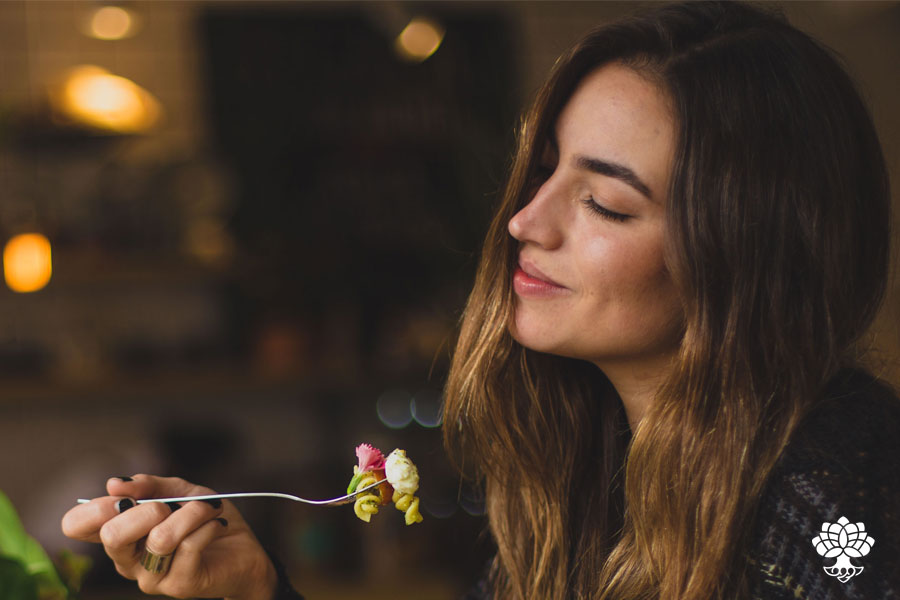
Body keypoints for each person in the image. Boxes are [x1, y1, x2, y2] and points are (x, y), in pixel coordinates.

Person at [62, 2, 900, 599]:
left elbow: (862, 568)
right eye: (544, 171)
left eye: (607, 204)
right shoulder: (587, 470)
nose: (526, 221)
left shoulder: (840, 499)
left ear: (746, 258)